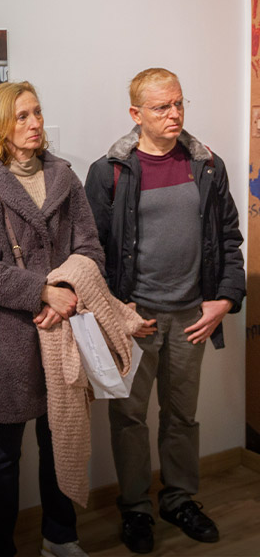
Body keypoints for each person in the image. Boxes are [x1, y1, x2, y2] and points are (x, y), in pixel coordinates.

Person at [84, 67, 245, 553]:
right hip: (136, 320)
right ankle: (135, 508)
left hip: (192, 317)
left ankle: (178, 500)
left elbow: (229, 238)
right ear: (136, 114)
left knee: (181, 416)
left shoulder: (207, 164)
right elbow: (92, 250)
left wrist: (224, 299)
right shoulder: (110, 170)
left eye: (178, 103)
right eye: (161, 107)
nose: (174, 114)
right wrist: (117, 310)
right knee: (130, 419)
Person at [0, 81, 105, 557]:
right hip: (7, 336)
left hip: (63, 328)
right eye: (22, 116)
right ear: (0, 125)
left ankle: (60, 536)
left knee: (61, 437)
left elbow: (90, 249)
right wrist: (41, 291)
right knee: (3, 451)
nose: (35, 123)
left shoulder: (64, 177)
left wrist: (67, 294)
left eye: (37, 112)